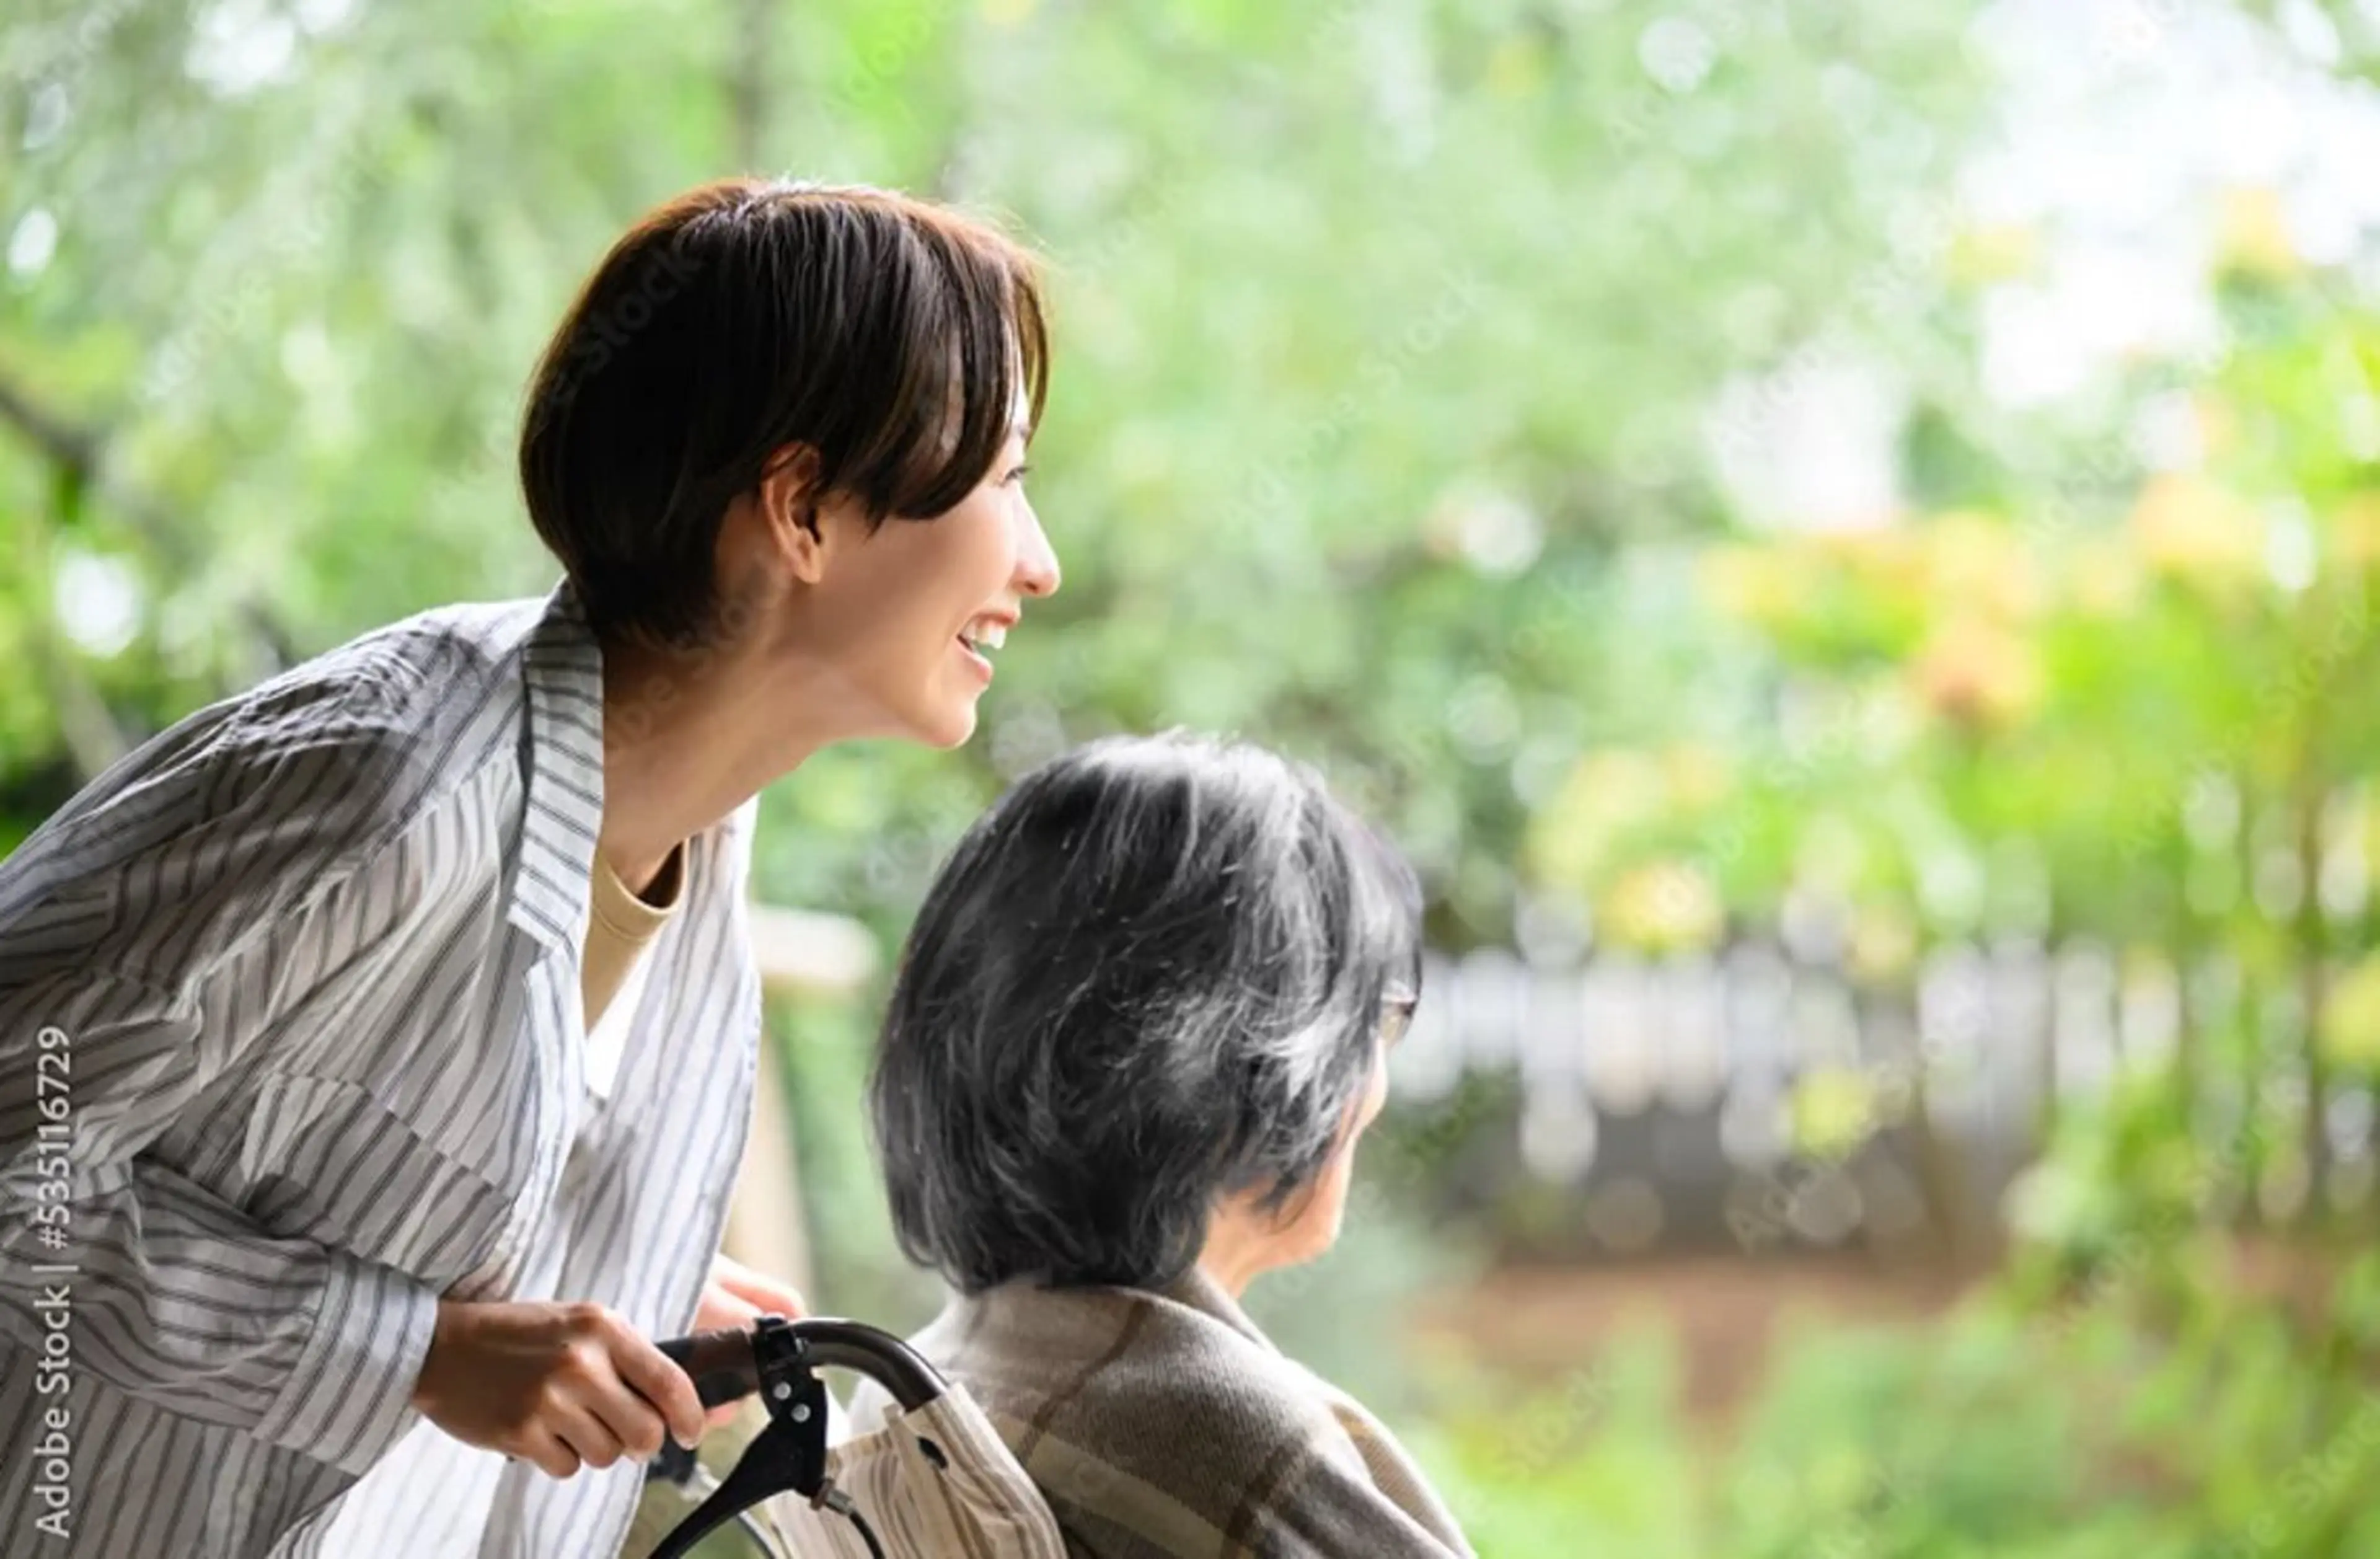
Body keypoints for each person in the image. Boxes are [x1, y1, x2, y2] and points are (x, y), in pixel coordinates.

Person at [0, 177, 1060, 1558]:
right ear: (800, 511)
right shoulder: (385, 783)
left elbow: (369, 1175)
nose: (1037, 565)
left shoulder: (699, 838)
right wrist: (414, 1353)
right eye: (1007, 482)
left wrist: (615, 1285)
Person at [863, 733, 1476, 1557]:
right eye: (1377, 1018)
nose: (1375, 1078)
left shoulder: (913, 1385)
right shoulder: (1224, 1441)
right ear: (1253, 1062)